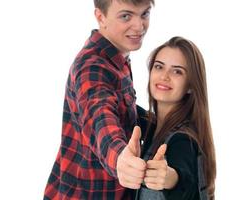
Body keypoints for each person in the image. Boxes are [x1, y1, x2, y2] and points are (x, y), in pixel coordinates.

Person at [43, 0, 154, 199]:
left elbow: (121, 109)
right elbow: (99, 117)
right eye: (126, 16)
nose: (139, 26)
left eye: (144, 14)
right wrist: (121, 158)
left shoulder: (116, 56)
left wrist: (167, 122)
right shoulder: (92, 68)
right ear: (100, 17)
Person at [136, 37, 216, 200]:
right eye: (159, 67)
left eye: (177, 71)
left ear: (191, 86)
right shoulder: (152, 125)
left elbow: (185, 181)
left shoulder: (183, 139)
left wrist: (170, 178)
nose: (164, 76)